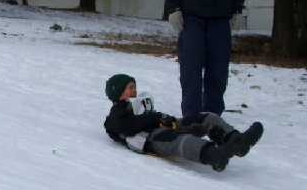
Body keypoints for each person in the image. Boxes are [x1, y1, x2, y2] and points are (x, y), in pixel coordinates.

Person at [103, 74, 263, 172]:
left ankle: (236, 140)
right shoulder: (116, 113)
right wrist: (152, 118)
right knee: (180, 141)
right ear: (118, 92)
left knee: (205, 118)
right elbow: (123, 127)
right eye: (130, 88)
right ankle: (213, 155)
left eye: (135, 87)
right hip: (150, 138)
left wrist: (162, 118)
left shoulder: (137, 103)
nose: (135, 90)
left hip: (164, 126)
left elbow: (150, 116)